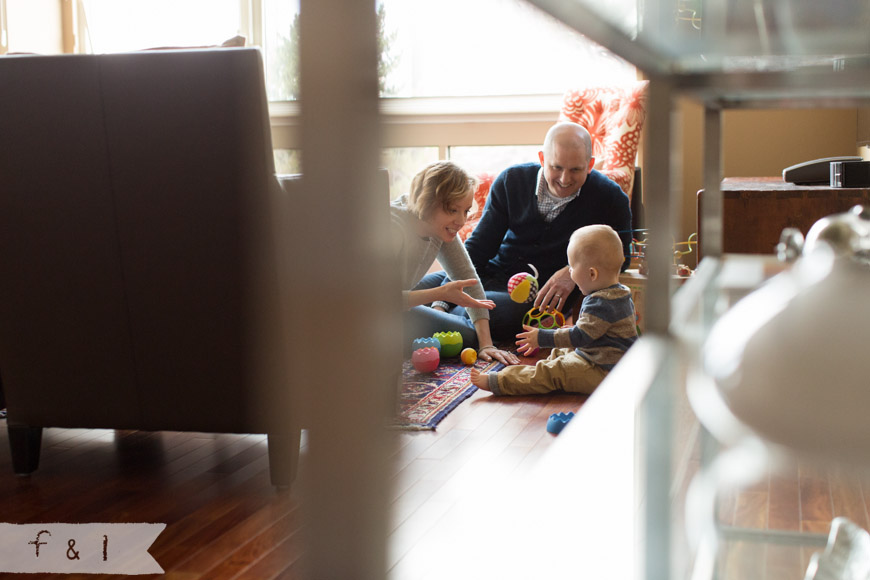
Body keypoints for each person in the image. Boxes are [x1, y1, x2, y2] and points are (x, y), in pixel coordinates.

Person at [458, 121, 632, 341]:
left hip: (541, 299)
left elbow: (621, 258)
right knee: (423, 287)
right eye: (556, 167)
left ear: (590, 165)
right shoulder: (511, 181)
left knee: (502, 314)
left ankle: (453, 317)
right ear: (542, 159)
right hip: (492, 275)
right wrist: (446, 293)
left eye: (575, 170)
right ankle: (450, 314)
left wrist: (571, 271)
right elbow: (479, 247)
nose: (564, 179)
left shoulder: (610, 198)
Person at [470, 225, 637, 395]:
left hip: (604, 372)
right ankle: (553, 369)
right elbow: (598, 332)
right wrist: (573, 331)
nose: (569, 271)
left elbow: (580, 337)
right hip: (608, 361)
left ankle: (498, 381)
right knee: (561, 350)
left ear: (592, 274)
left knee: (553, 372)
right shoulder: (618, 293)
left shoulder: (601, 302)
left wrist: (540, 337)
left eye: (572, 266)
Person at [392, 161, 519, 366]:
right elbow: (372, 303)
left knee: (476, 336)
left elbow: (468, 278)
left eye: (466, 211)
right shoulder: (394, 228)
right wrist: (440, 294)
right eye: (452, 210)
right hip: (364, 315)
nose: (461, 221)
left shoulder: (439, 227)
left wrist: (486, 345)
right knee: (468, 337)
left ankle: (435, 313)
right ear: (427, 202)